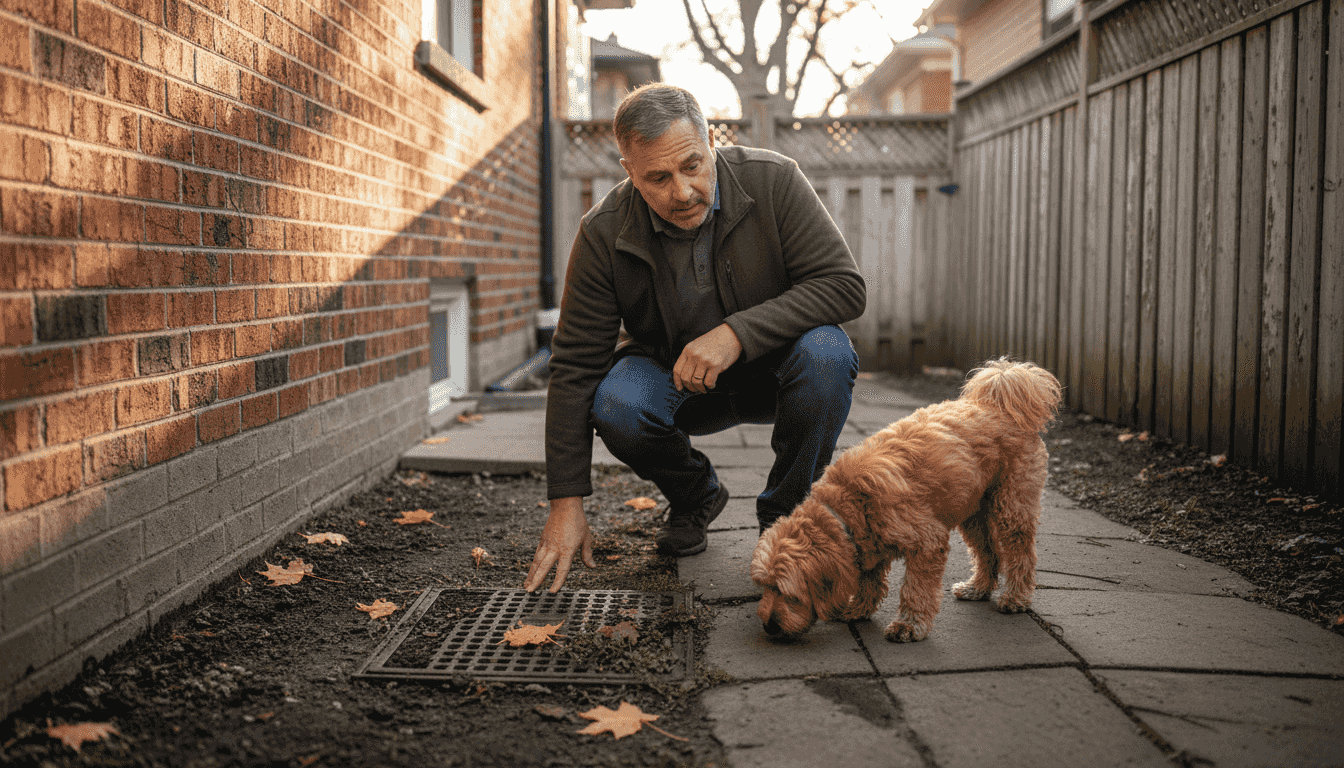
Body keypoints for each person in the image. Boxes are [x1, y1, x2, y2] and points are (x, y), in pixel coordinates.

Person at [525, 83, 866, 593]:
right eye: (657, 178)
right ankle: (695, 495)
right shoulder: (604, 232)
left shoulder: (773, 181)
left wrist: (736, 334)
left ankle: (788, 518)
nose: (681, 192)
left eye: (691, 166)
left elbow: (843, 286)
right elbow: (574, 366)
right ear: (629, 171)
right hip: (677, 380)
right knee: (617, 402)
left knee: (827, 353)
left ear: (711, 143)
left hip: (778, 372)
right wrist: (566, 504)